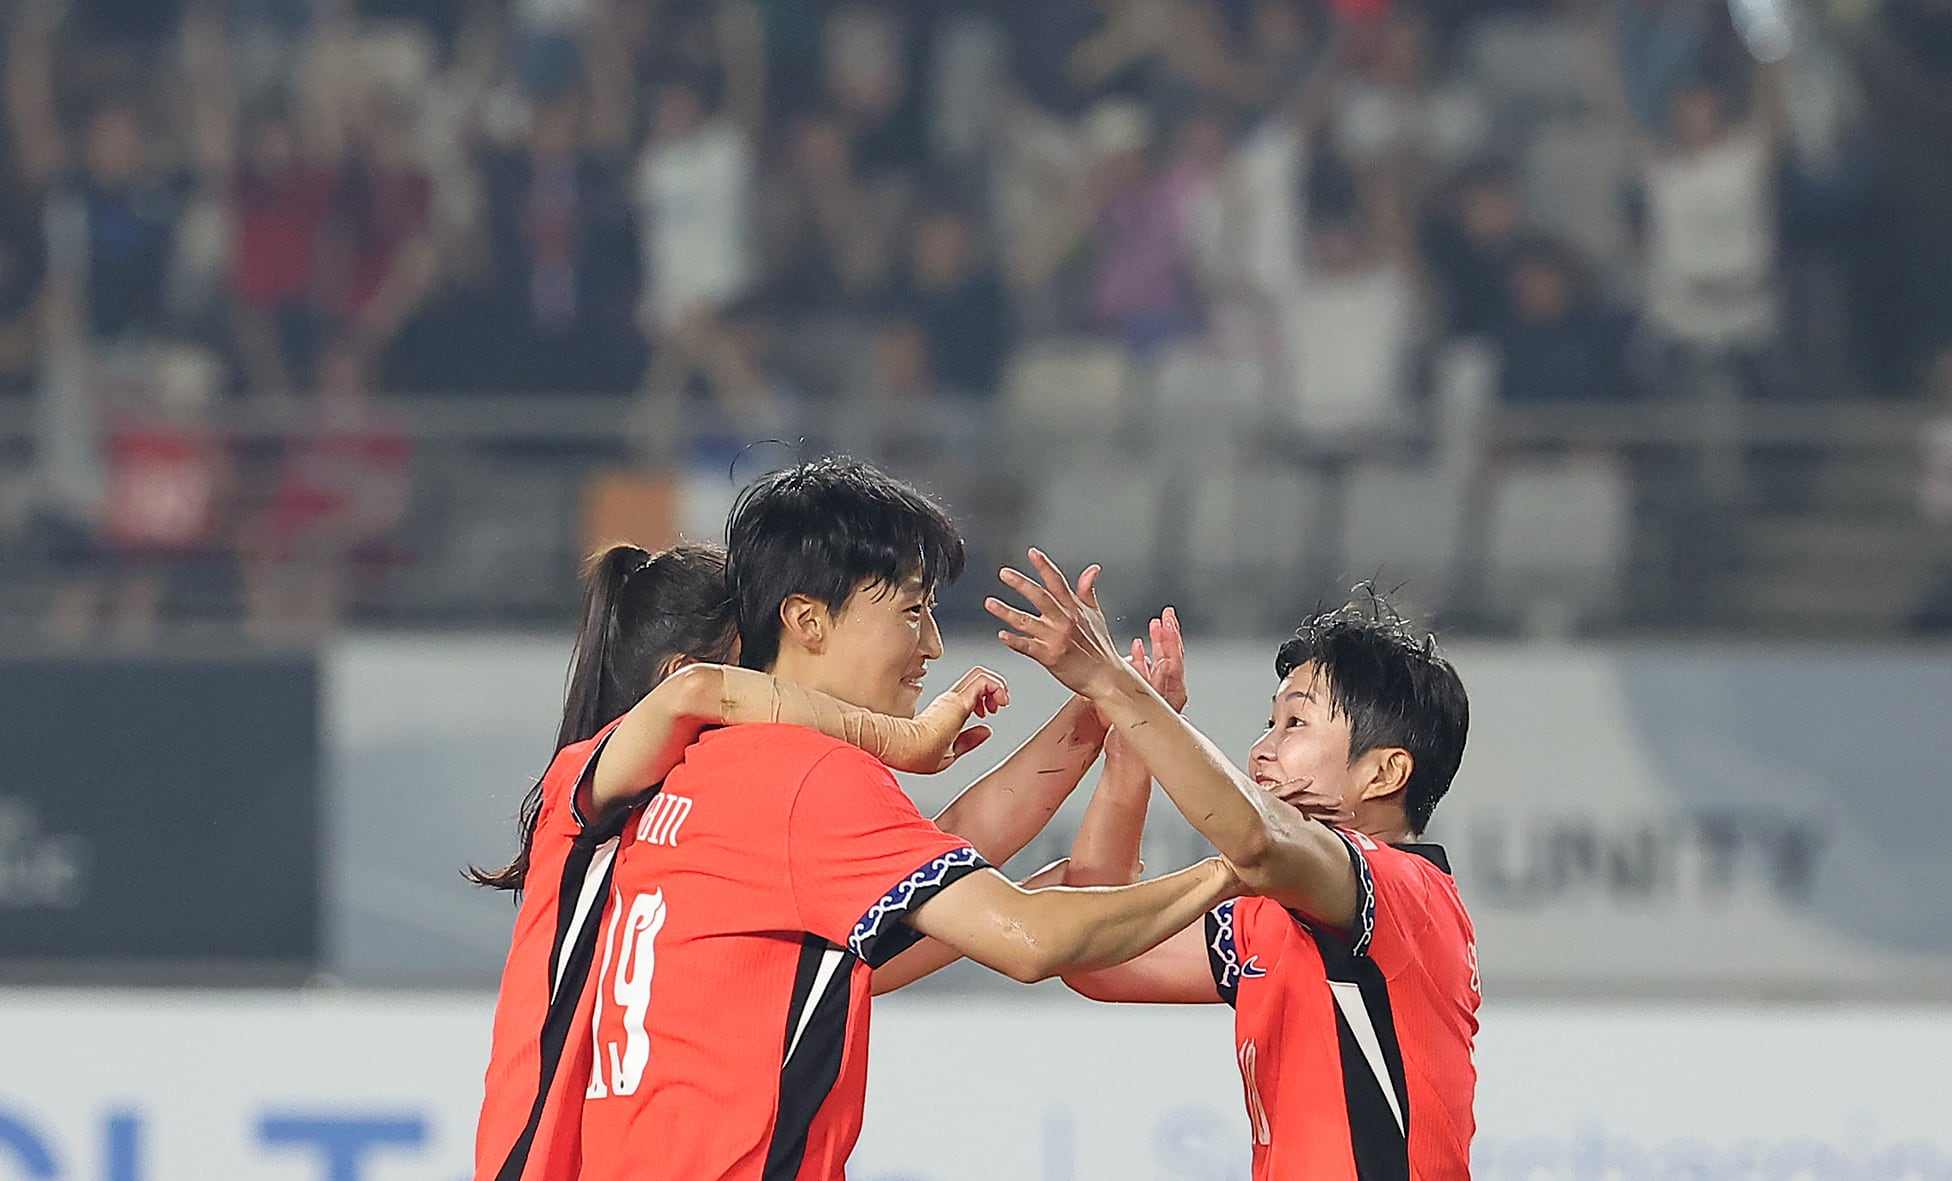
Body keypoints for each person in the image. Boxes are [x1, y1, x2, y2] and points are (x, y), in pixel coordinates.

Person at [576, 457, 1238, 1181]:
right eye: (912, 611)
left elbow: (953, 848)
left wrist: (1103, 704)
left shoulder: (705, 768)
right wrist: (1244, 857)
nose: (933, 646)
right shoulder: (804, 777)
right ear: (807, 620)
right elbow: (1030, 940)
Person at [473, 536, 1126, 1181]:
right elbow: (695, 693)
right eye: (758, 674)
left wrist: (1109, 702)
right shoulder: (588, 798)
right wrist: (902, 737)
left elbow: (938, 856)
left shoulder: (714, 818)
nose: (787, 694)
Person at [988, 554, 1478, 1181]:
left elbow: (1257, 838)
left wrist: (1115, 684)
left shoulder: (1406, 891)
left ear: (1384, 773)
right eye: (1269, 721)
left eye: (1295, 722)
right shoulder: (1265, 914)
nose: (1261, 748)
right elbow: (1097, 958)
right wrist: (1133, 754)